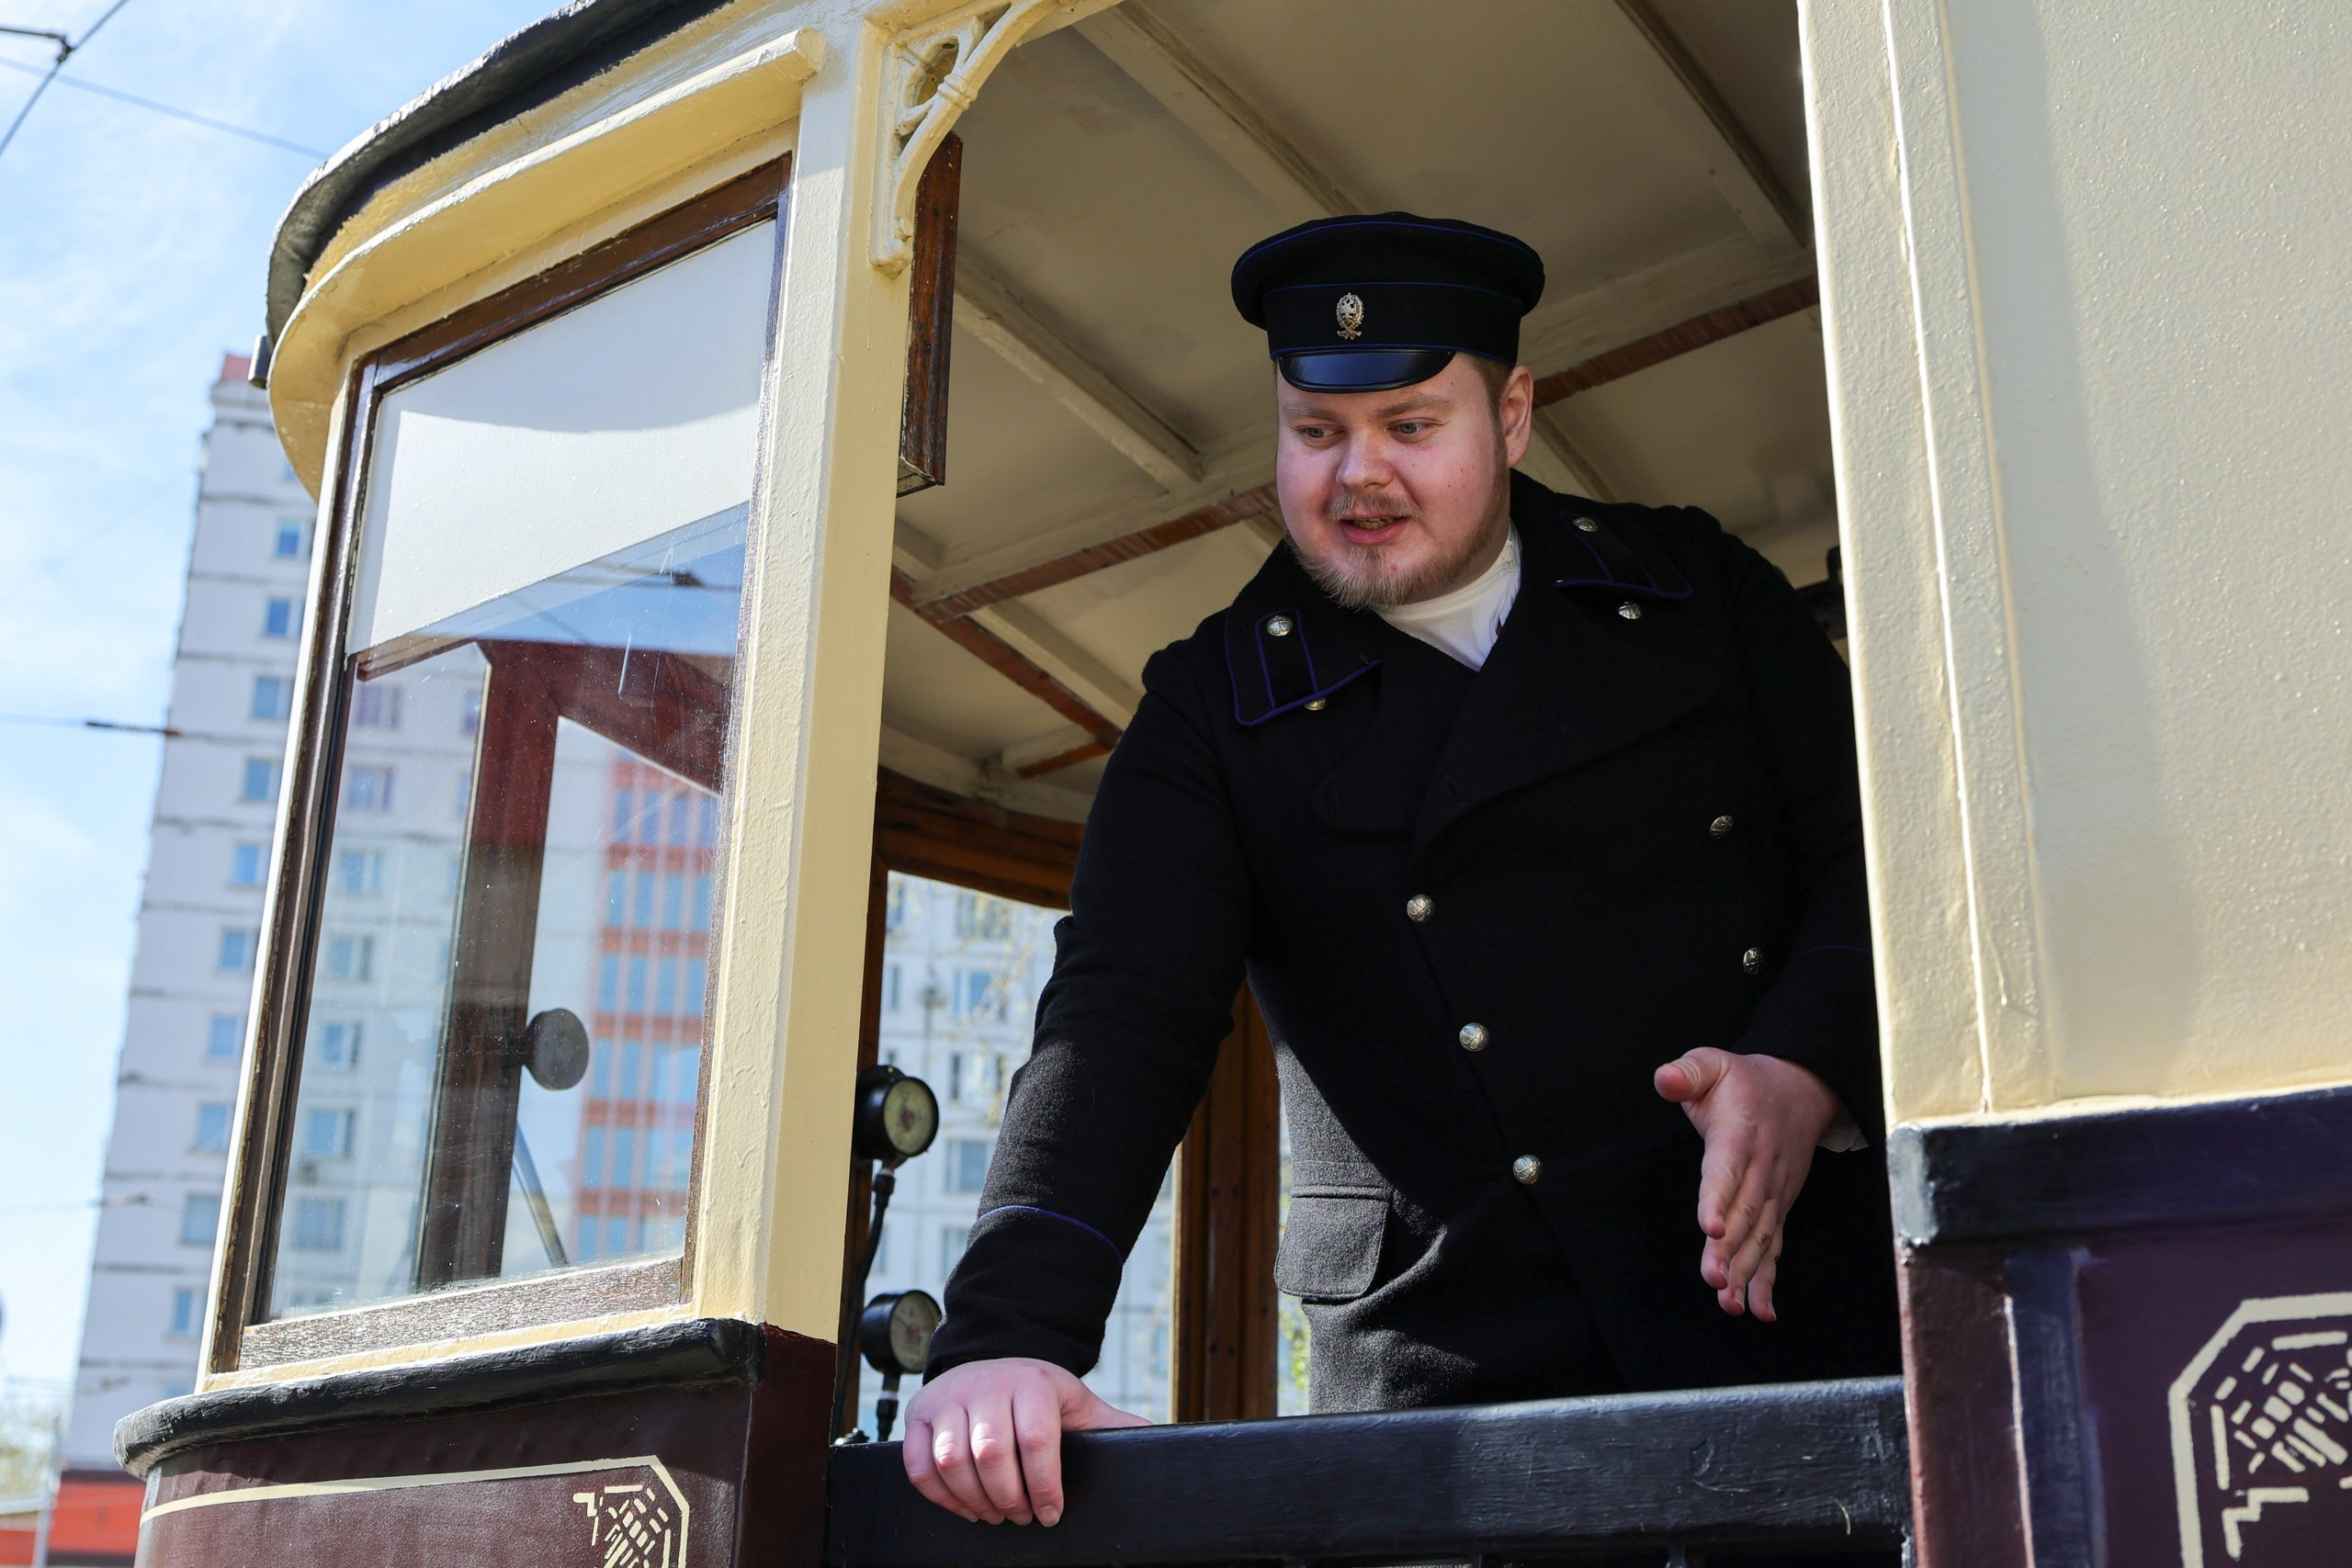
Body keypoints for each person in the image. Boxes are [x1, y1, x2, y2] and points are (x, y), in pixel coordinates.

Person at [900, 214, 1901, 1555]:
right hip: (1451, 1382)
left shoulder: (1696, 591)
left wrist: (1804, 1066)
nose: (1358, 475)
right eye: (1317, 432)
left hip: (1788, 1322)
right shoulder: (1215, 707)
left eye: (1412, 428)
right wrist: (1004, 1340)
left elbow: (1882, 857)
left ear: (1517, 412)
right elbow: (1119, 1018)